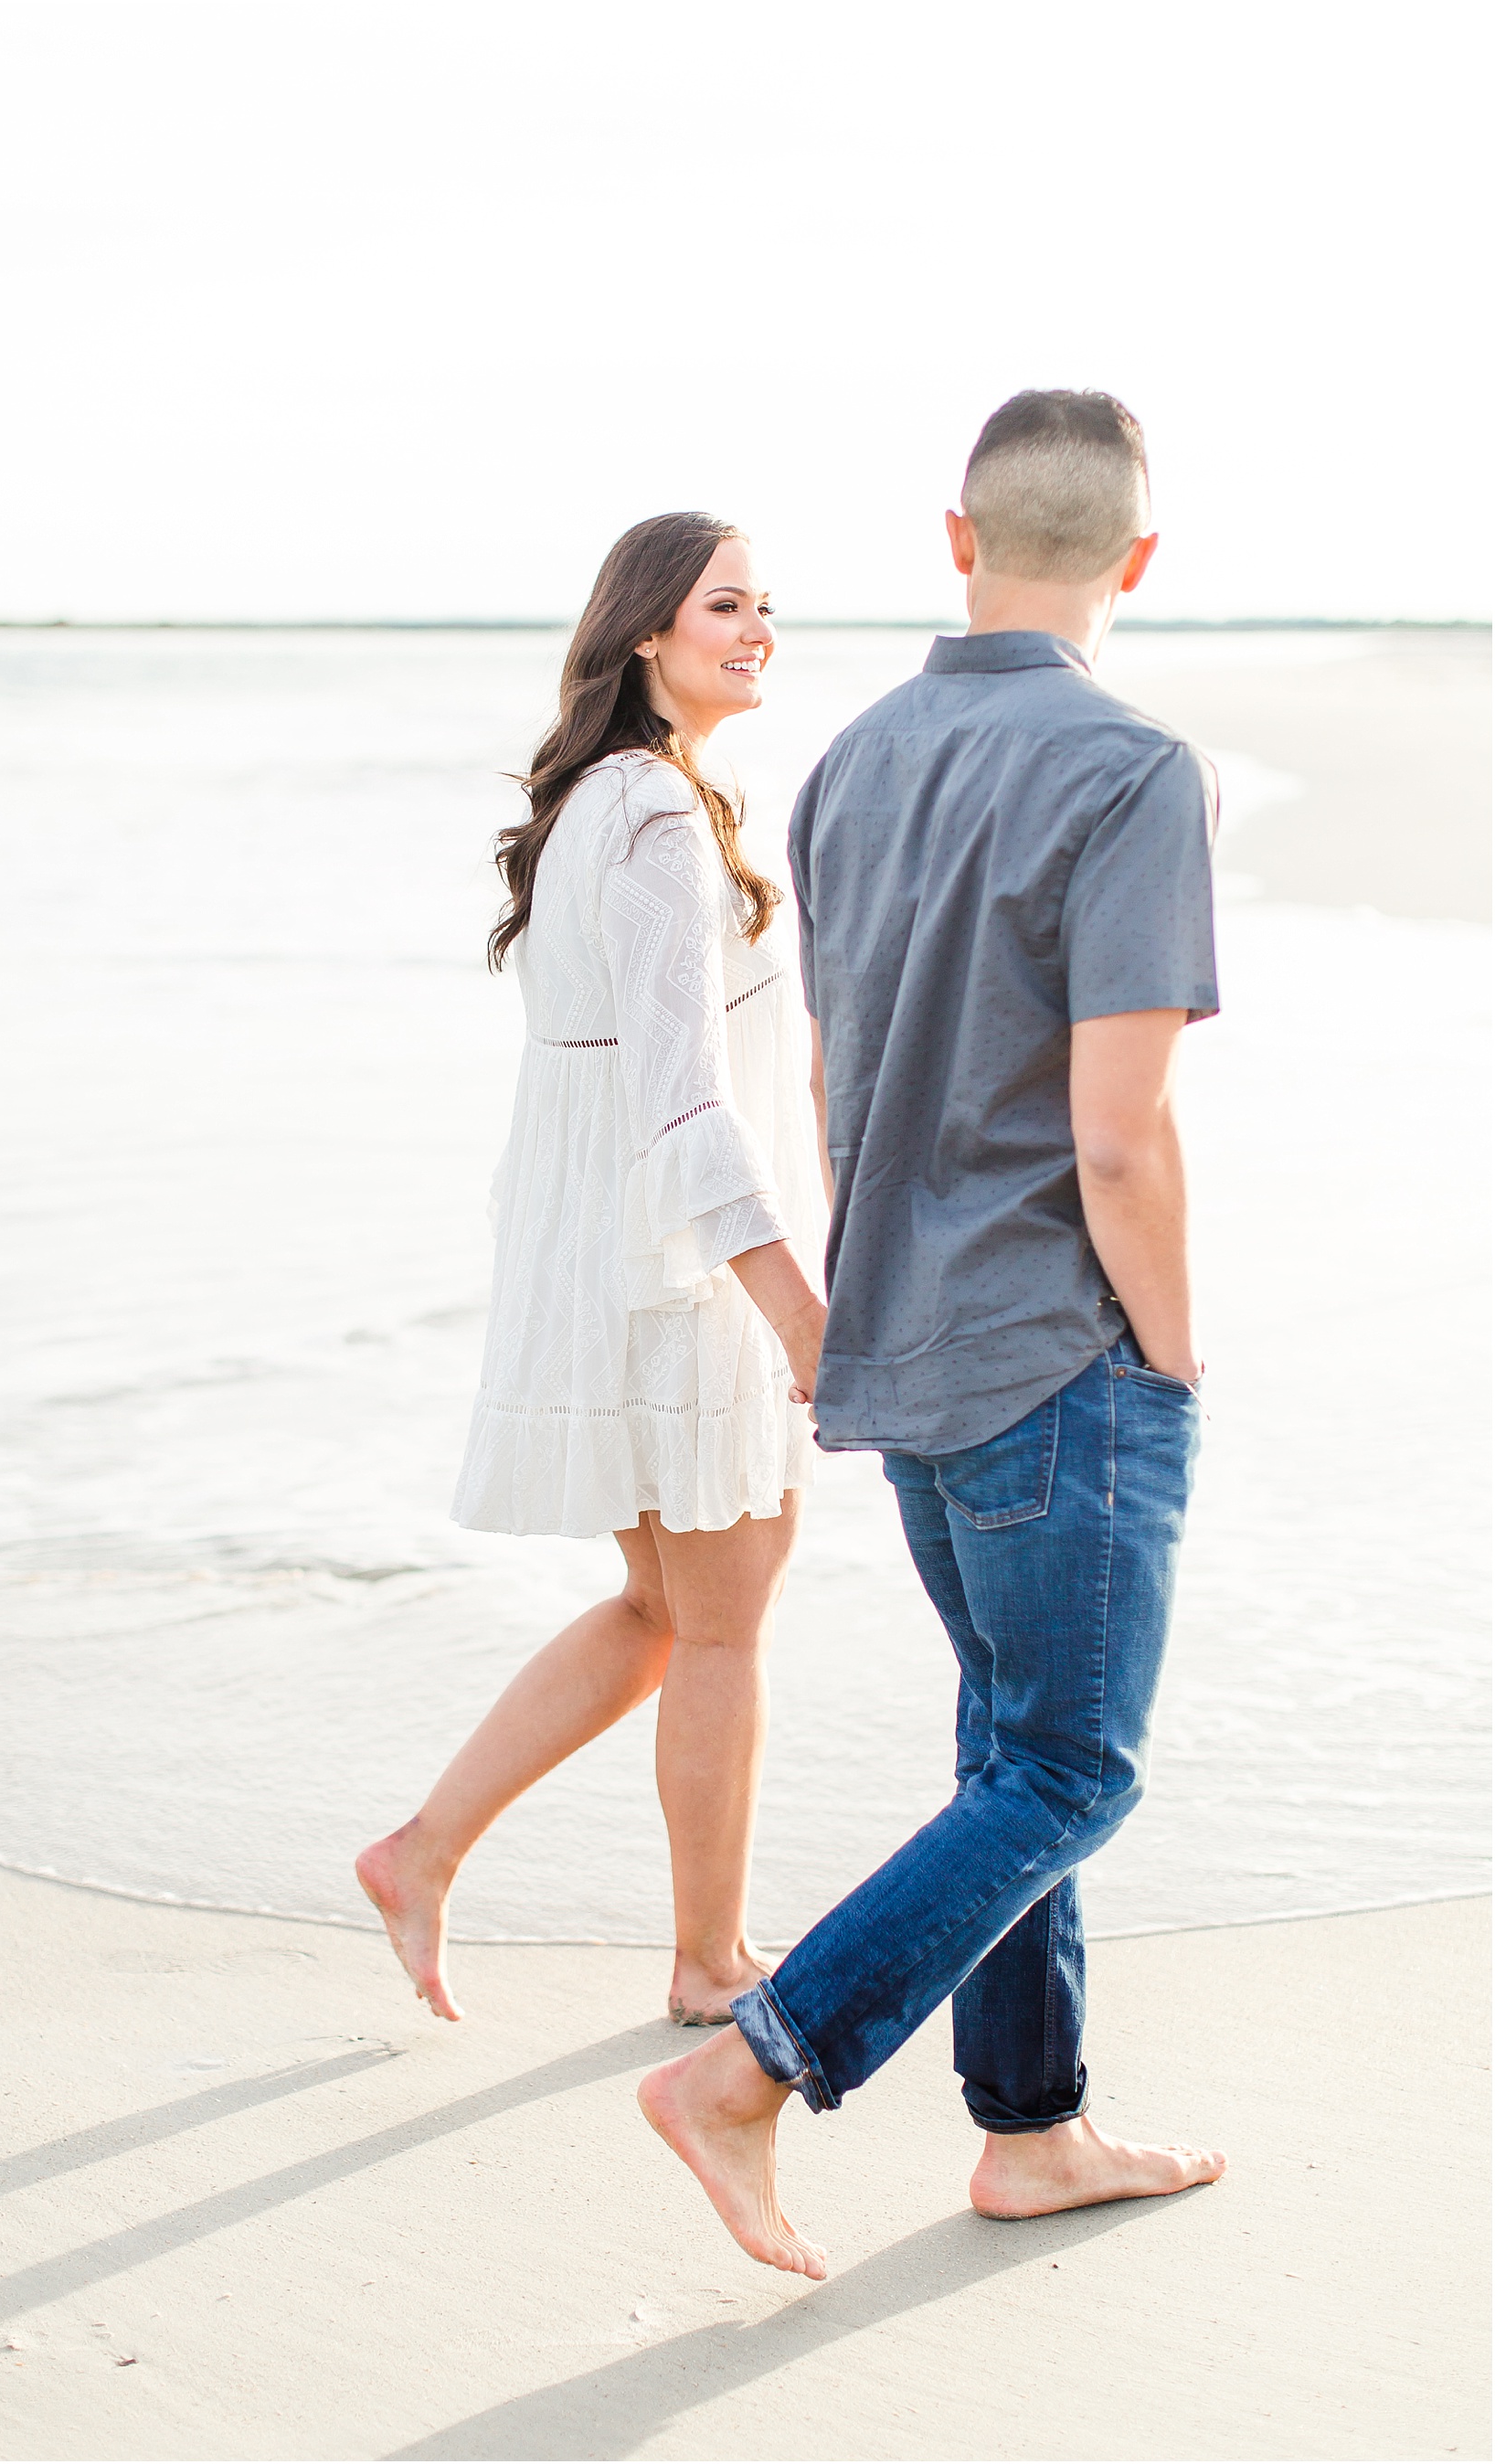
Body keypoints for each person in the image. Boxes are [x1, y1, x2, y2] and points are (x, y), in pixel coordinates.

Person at [638, 391, 1228, 2275]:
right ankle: (758, 2066)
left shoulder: (852, 763)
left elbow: (832, 1080)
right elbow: (1121, 1137)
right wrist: (1178, 1355)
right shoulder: (1134, 771)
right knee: (1076, 1770)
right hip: (1064, 1353)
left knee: (1008, 1746)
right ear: (1137, 557)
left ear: (955, 536)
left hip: (905, 1334)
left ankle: (1033, 2132)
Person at [357, 513, 827, 2029]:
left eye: (767, 607)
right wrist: (800, 1317)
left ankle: (421, 1853)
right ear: (644, 632)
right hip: (674, 1269)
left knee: (661, 1609)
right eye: (725, 606)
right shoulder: (654, 817)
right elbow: (683, 1101)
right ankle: (706, 1962)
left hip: (608, 1249)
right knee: (724, 1610)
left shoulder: (611, 802)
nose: (756, 630)